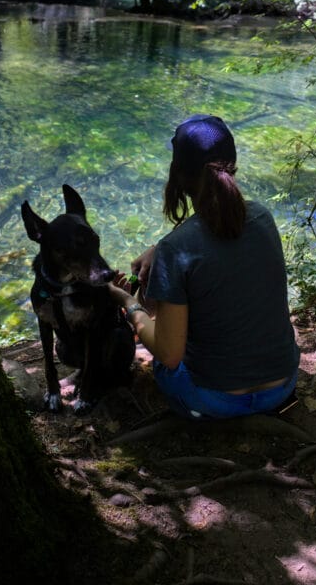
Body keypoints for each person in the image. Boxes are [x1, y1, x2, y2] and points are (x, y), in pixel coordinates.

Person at [108, 114, 300, 419]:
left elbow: (170, 356)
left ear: (179, 176)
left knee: (162, 355)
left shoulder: (178, 248)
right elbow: (219, 245)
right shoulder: (263, 218)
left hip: (216, 401)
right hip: (283, 386)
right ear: (232, 165)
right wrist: (160, 249)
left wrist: (129, 303)